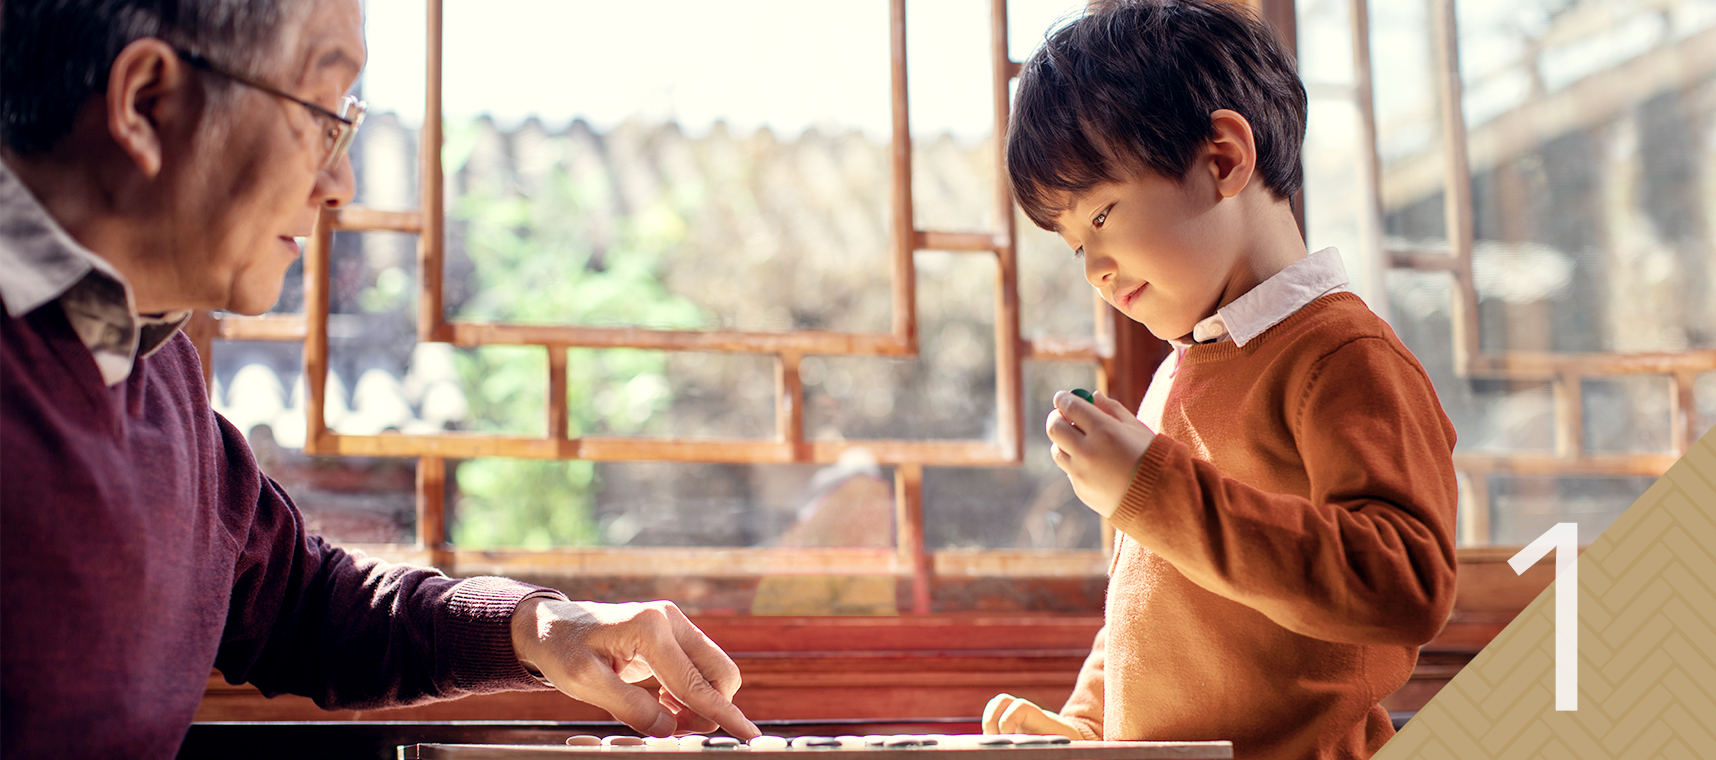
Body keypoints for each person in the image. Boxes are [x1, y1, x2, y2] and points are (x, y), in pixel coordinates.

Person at [0, 0, 759, 756]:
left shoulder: (151, 362)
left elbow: (299, 601)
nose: (341, 181)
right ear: (146, 103)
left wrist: (534, 627)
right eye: (321, 115)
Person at [979, 2, 1459, 758]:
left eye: (1102, 215)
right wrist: (1084, 729)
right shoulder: (1179, 371)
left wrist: (1154, 487)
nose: (1096, 271)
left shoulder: (1344, 355)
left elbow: (1405, 584)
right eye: (1075, 248)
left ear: (1225, 159)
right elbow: (1148, 609)